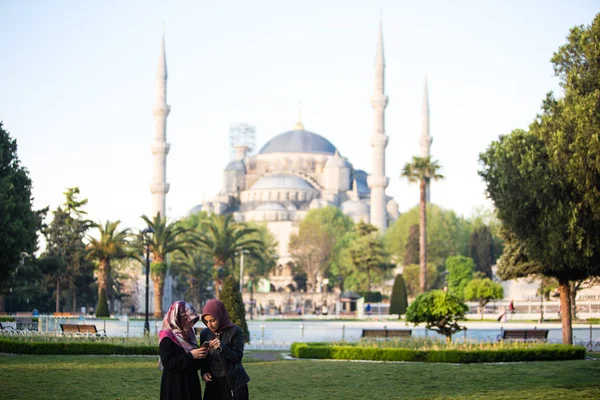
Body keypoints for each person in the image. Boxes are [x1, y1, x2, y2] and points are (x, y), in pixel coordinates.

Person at [200, 299, 250, 400]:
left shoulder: (236, 331)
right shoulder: (205, 333)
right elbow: (204, 358)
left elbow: (237, 357)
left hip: (233, 382)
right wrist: (204, 372)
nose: (209, 325)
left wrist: (222, 347)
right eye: (206, 321)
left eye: (212, 320)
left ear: (220, 316)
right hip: (213, 382)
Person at [159, 301, 208, 400]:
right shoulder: (167, 337)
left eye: (192, 321)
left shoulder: (189, 335)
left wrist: (202, 355)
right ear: (177, 317)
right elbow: (169, 364)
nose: (190, 324)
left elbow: (193, 364)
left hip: (191, 384)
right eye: (187, 320)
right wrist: (191, 355)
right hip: (175, 385)